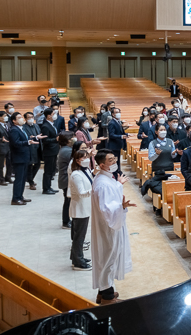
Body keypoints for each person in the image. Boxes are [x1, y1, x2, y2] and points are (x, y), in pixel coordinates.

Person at [91, 150, 135, 304]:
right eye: (110, 160)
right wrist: (120, 207)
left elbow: (111, 195)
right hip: (108, 228)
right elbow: (106, 209)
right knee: (108, 258)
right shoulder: (102, 184)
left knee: (109, 257)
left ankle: (104, 292)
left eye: (114, 158)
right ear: (102, 165)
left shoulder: (105, 178)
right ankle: (107, 297)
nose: (114, 161)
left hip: (110, 226)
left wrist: (118, 184)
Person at [69, 150, 93, 271]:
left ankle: (76, 258)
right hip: (79, 208)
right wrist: (94, 189)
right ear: (77, 161)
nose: (86, 159)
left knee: (80, 235)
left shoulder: (86, 170)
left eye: (87, 157)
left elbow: (89, 180)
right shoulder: (76, 175)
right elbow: (82, 193)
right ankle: (78, 262)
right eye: (83, 158)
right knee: (79, 237)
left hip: (85, 207)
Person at [8, 112, 38, 206]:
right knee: (19, 179)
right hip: (19, 158)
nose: (22, 119)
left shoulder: (20, 128)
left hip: (24, 157)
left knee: (23, 179)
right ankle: (15, 198)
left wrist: (35, 137)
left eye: (21, 117)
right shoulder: (13, 130)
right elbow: (16, 143)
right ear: (14, 120)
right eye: (19, 118)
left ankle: (20, 196)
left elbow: (25, 139)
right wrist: (28, 142)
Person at [58, 132, 76, 229]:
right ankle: (65, 221)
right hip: (66, 179)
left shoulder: (67, 149)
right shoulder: (67, 151)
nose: (74, 138)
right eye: (73, 137)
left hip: (66, 179)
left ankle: (67, 220)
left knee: (68, 200)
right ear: (68, 140)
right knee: (68, 201)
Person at [40, 108, 60, 194]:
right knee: (48, 171)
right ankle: (46, 188)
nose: (55, 115)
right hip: (49, 151)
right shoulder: (45, 126)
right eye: (53, 113)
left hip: (54, 150)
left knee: (52, 170)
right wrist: (56, 139)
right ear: (48, 116)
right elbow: (45, 140)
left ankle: (49, 187)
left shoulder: (52, 124)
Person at [23, 112, 43, 190]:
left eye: (32, 117)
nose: (31, 118)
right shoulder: (23, 127)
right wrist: (33, 137)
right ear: (25, 118)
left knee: (37, 165)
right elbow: (25, 137)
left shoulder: (36, 125)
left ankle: (29, 179)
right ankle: (31, 182)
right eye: (29, 117)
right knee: (29, 166)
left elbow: (39, 135)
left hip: (37, 148)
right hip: (29, 149)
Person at [0, 110, 13, 186]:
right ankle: (1, 180)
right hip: (1, 148)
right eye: (4, 116)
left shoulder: (8, 124)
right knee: (1, 165)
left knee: (10, 164)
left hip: (9, 147)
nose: (6, 117)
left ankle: (8, 177)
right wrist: (1, 139)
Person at [107, 108, 129, 174]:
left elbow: (120, 132)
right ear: (113, 114)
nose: (118, 113)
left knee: (118, 160)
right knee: (114, 161)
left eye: (119, 112)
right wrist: (121, 136)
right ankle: (115, 173)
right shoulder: (112, 123)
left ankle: (118, 172)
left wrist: (127, 134)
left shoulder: (118, 121)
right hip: (113, 145)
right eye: (116, 112)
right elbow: (111, 135)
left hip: (118, 145)